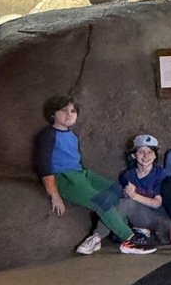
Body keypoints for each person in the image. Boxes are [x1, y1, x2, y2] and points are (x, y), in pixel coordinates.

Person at [33, 95, 155, 254]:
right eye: (63, 110)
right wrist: (54, 194)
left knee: (117, 190)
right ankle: (129, 239)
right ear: (52, 114)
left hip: (81, 174)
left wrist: (85, 178)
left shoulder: (72, 135)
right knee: (101, 200)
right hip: (64, 178)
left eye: (73, 110)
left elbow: (75, 160)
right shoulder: (47, 135)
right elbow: (43, 165)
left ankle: (113, 231)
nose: (69, 114)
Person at [77, 134, 171, 255]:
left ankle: (155, 236)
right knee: (122, 204)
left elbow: (157, 203)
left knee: (166, 233)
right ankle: (97, 237)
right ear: (133, 155)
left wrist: (134, 196)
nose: (146, 156)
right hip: (138, 217)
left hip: (158, 216)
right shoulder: (128, 175)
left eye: (150, 152)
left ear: (155, 156)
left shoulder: (160, 173)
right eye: (141, 152)